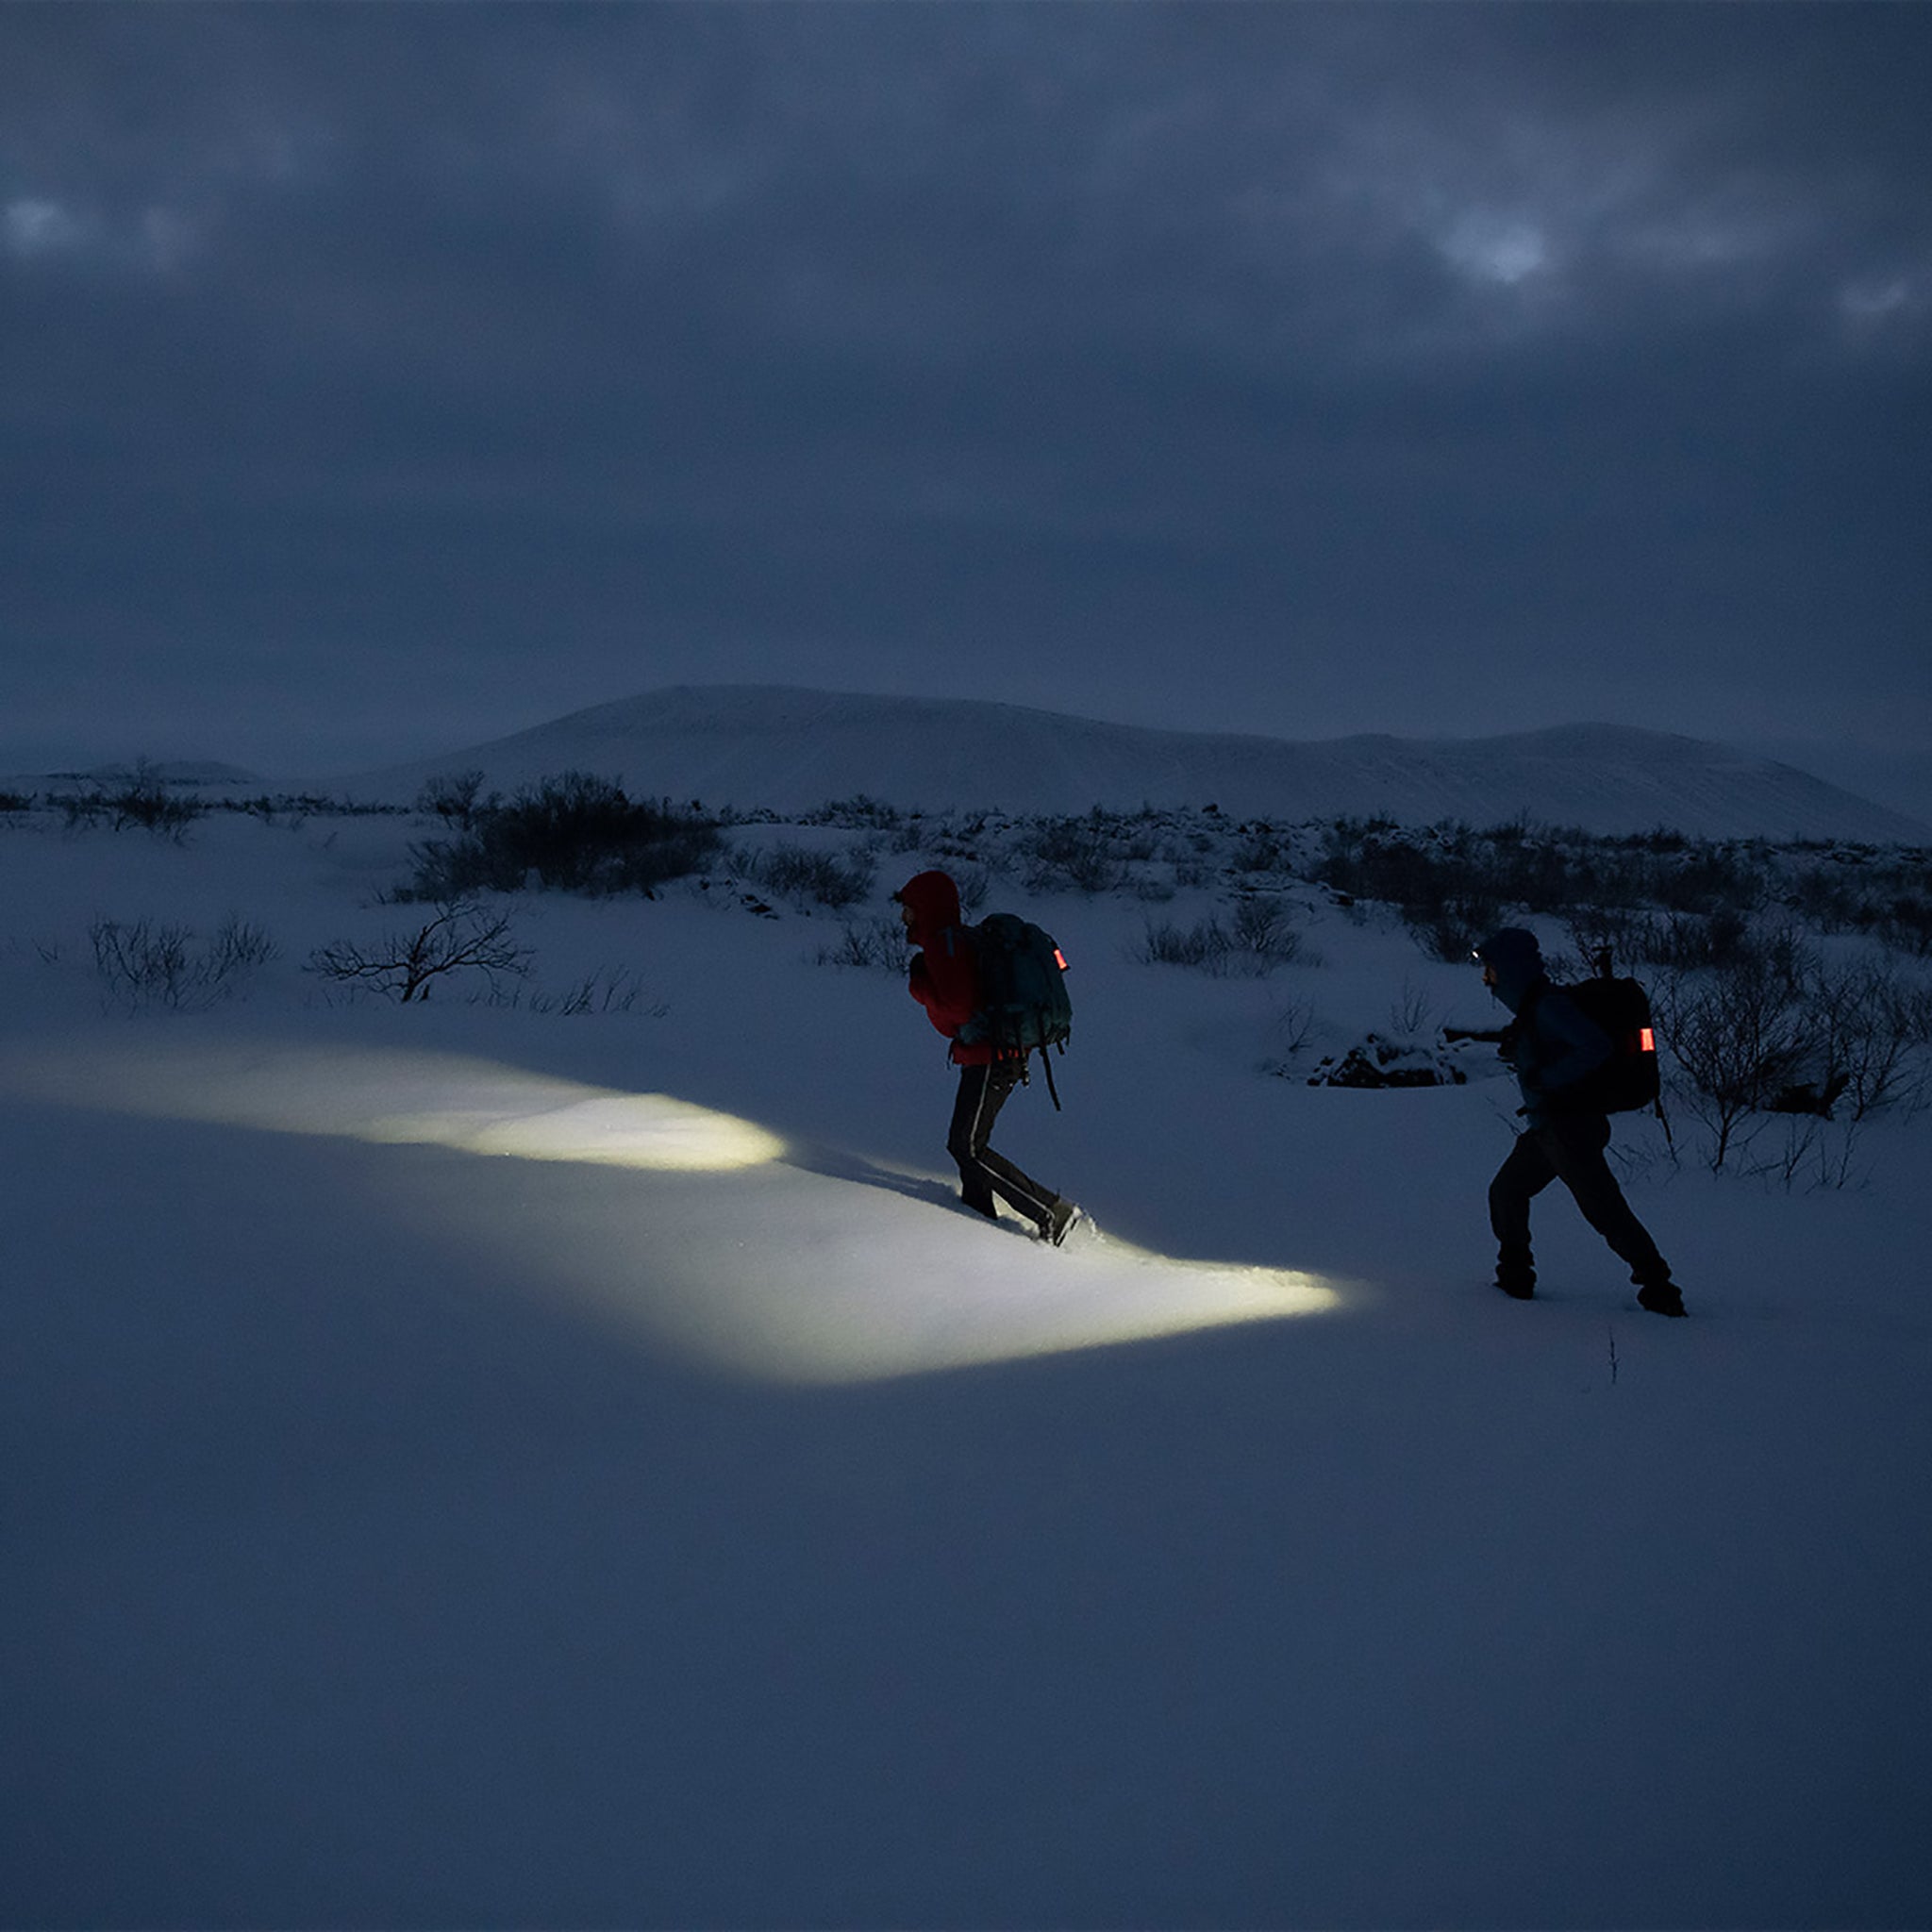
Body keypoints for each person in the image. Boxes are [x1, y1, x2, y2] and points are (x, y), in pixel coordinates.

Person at [1473, 927, 1687, 1317]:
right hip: (1547, 1130)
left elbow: (1595, 1046)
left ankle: (1658, 1287)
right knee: (1506, 1192)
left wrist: (1548, 1077)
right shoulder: (1532, 1010)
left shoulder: (1549, 1007)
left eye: (1490, 972)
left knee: (1605, 1211)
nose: (1487, 981)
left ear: (1511, 969)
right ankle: (1515, 1276)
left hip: (1570, 1130)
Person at [894, 869, 1081, 1244]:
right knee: (969, 1142)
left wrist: (920, 986)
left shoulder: (943, 944)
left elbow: (959, 1008)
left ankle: (1052, 1213)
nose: (904, 918)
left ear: (926, 908)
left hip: (993, 1056)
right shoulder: (950, 941)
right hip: (991, 1053)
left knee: (966, 1145)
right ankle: (976, 1216)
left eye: (909, 909)